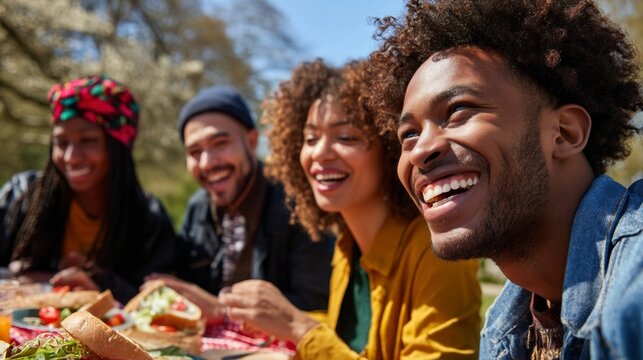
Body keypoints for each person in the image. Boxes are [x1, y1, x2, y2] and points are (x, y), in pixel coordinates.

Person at [367, 0, 643, 358]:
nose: (420, 150)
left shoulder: (634, 282)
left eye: (459, 110)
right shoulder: (506, 330)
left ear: (564, 133)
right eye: (408, 135)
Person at [218, 59, 481, 359]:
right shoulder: (346, 247)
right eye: (310, 138)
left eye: (346, 137)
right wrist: (275, 317)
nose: (320, 153)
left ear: (389, 148)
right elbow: (348, 341)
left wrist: (299, 327)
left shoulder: (437, 251)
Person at [148, 85, 334, 322]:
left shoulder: (297, 204)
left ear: (252, 141)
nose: (207, 163)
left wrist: (224, 311)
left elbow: (317, 305)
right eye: (195, 151)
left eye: (220, 143)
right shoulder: (198, 209)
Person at [0, 75, 176, 303]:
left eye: (88, 141)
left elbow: (158, 299)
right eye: (61, 142)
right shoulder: (21, 195)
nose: (71, 157)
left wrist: (101, 287)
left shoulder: (148, 219)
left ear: (118, 147)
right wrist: (21, 276)